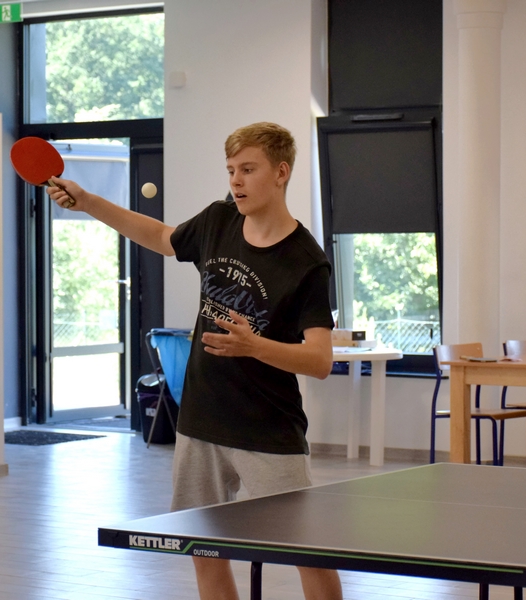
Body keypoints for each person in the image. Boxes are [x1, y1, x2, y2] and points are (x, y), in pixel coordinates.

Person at [47, 122, 343, 600]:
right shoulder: (217, 221)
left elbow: (320, 360)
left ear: (281, 172)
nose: (236, 181)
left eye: (248, 169)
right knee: (203, 549)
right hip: (200, 419)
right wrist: (89, 203)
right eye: (231, 170)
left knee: (307, 550)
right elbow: (161, 235)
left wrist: (255, 346)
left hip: (268, 428)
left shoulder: (306, 261)